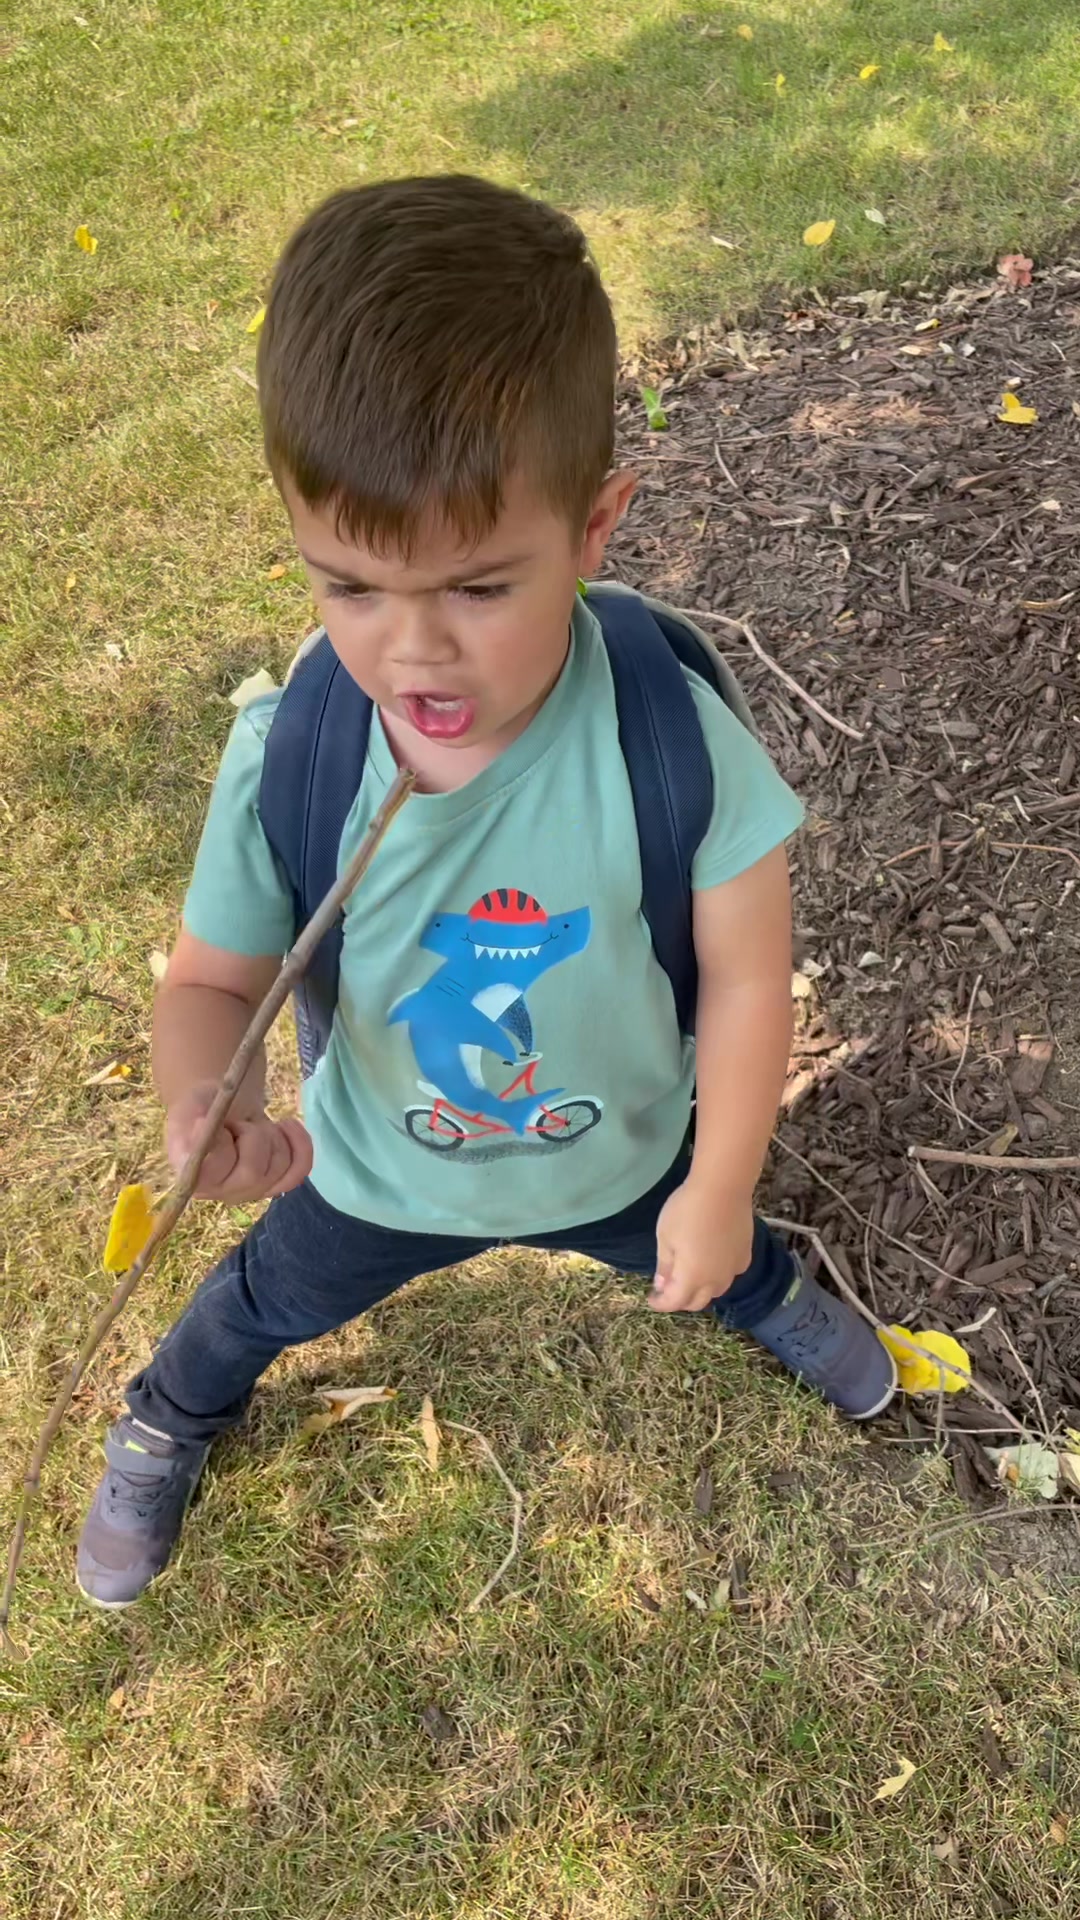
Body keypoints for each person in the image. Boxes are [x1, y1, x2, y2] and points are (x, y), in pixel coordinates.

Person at [76, 176, 894, 1608]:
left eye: (476, 588)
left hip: (620, 1153)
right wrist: (211, 1097)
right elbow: (211, 981)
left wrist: (718, 1187)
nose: (412, 654)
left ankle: (763, 1290)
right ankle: (165, 1416)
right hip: (377, 1172)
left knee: (714, 1249)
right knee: (257, 1303)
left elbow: (749, 977)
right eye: (351, 587)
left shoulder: (667, 737)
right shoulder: (300, 756)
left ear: (594, 527)